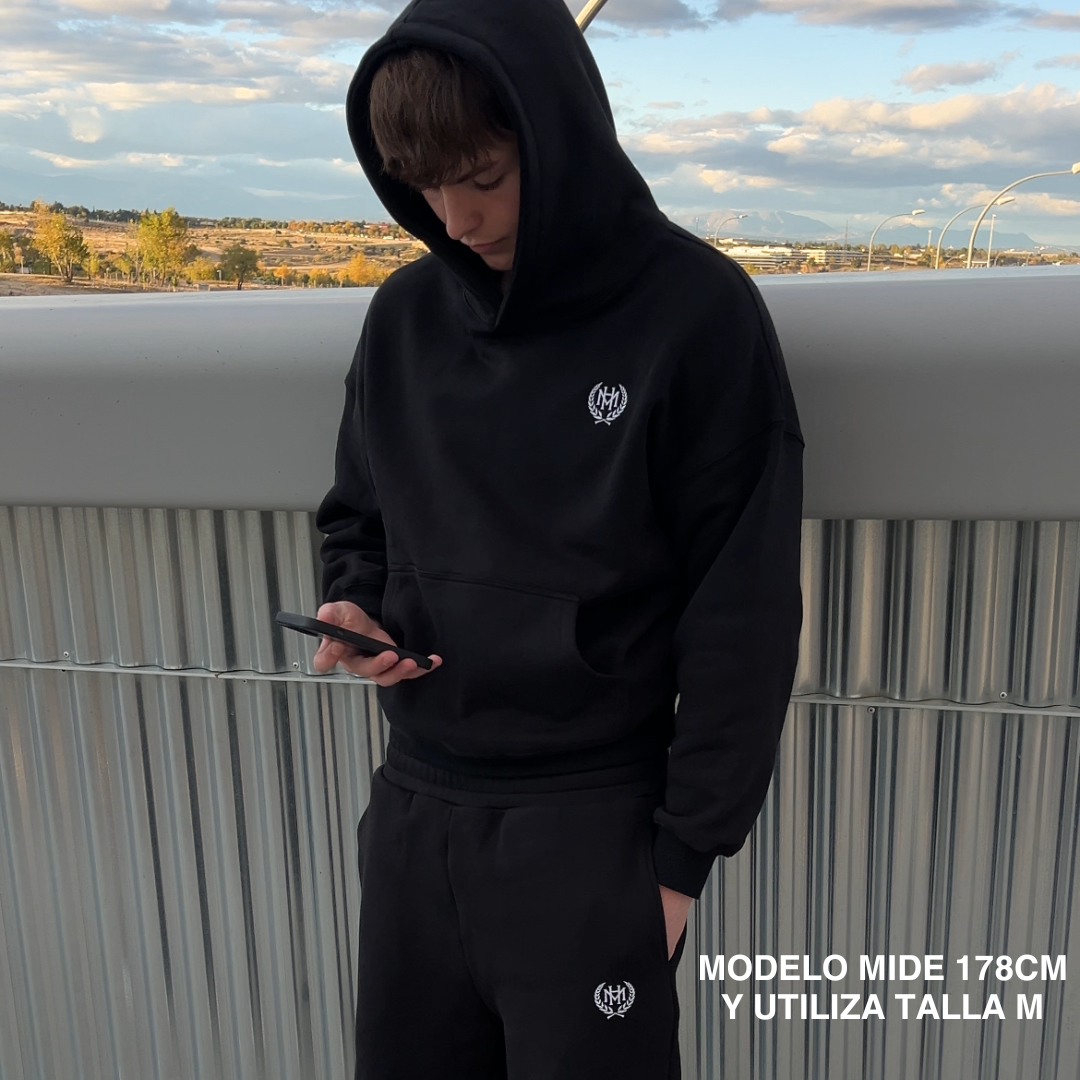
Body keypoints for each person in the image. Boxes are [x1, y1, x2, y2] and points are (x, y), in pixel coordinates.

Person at [312, 0, 803, 1075]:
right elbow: (359, 516)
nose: (456, 218)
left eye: (484, 177)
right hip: (415, 812)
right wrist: (358, 605)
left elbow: (745, 611)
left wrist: (677, 866)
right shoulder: (403, 319)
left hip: (593, 828)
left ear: (557, 132)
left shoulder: (697, 313)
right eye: (423, 185)